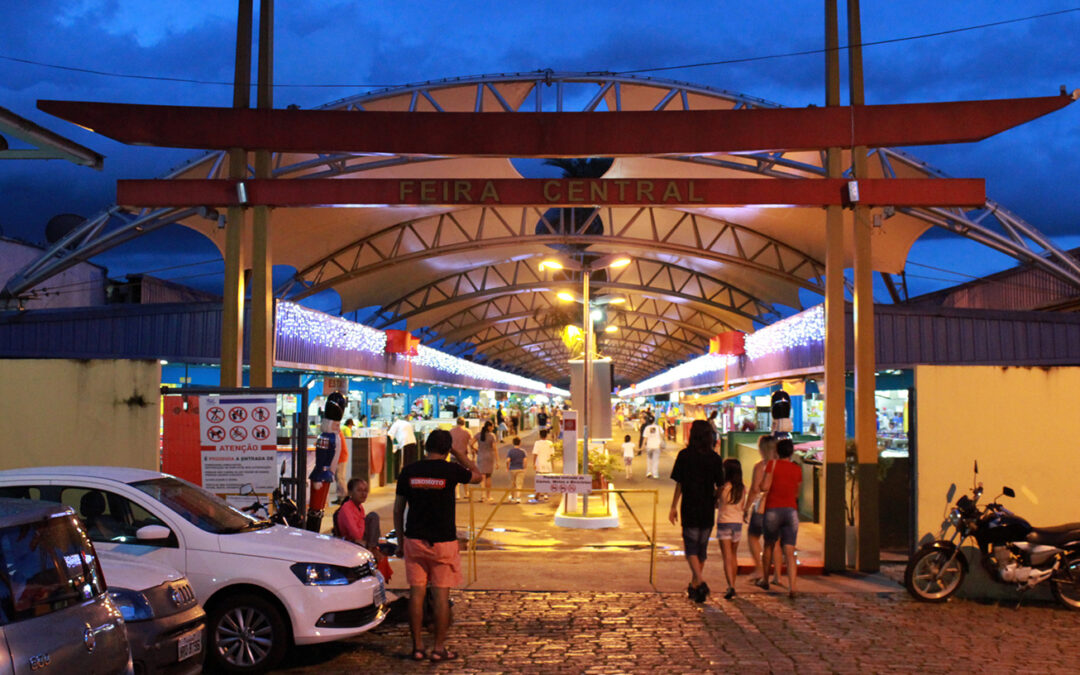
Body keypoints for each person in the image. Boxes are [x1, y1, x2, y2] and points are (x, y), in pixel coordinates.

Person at [394, 429, 482, 662]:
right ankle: (438, 648)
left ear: (426, 447)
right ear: (446, 449)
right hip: (443, 542)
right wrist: (457, 453)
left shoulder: (409, 471)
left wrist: (400, 542)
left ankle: (418, 647)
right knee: (441, 597)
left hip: (414, 540)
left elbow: (398, 508)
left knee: (416, 595)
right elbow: (478, 475)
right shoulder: (451, 470)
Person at [668, 420, 725, 603]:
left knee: (691, 548)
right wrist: (715, 497)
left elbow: (680, 483)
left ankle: (699, 581)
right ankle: (694, 586)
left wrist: (673, 506)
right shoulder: (715, 458)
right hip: (707, 507)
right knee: (701, 549)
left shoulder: (684, 455)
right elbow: (721, 485)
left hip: (689, 506)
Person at [757, 438, 802, 599]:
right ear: (791, 452)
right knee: (789, 551)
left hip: (773, 510)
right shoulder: (797, 469)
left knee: (769, 545)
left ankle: (765, 579)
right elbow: (797, 493)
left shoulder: (772, 465)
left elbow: (764, 486)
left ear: (777, 451)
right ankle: (793, 586)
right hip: (791, 511)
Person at [334, 478, 392, 581]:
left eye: (365, 490)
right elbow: (356, 534)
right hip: (350, 543)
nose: (363, 493)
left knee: (374, 518)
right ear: (350, 492)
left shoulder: (360, 507)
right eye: (359, 490)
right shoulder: (346, 508)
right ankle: (371, 551)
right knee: (373, 517)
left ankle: (371, 549)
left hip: (362, 541)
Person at [744, 435, 782, 586]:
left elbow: (754, 489)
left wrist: (746, 507)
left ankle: (759, 569)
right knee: (776, 542)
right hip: (778, 507)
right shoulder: (781, 465)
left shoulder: (760, 466)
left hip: (762, 507)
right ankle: (777, 576)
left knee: (753, 537)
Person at [308, 392, 346, 531]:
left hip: (323, 475)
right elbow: (322, 457)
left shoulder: (329, 437)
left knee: (318, 509)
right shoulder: (328, 438)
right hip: (321, 475)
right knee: (316, 509)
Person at [716, 458, 746, 600]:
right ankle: (733, 583)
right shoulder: (742, 488)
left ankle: (731, 586)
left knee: (726, 556)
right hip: (737, 523)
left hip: (724, 523)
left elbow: (717, 503)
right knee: (733, 555)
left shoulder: (723, 488)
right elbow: (742, 507)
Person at [470, 421, 499, 503]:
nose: (493, 428)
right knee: (488, 477)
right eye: (492, 427)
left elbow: (471, 443)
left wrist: (475, 450)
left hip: (481, 456)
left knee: (482, 477)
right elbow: (494, 449)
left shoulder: (478, 435)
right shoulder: (492, 436)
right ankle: (488, 496)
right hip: (489, 457)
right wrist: (497, 461)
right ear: (489, 427)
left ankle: (482, 495)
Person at [449, 417, 473, 501]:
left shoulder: (451, 431)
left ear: (456, 423)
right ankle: (466, 493)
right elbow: (471, 444)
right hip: (464, 456)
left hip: (453, 456)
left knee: (454, 475)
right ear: (464, 423)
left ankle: (457, 494)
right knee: (465, 474)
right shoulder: (468, 431)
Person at [530, 429, 555, 502]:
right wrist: (552, 464)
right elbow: (552, 455)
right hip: (547, 464)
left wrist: (534, 463)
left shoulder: (537, 443)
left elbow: (535, 454)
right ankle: (546, 494)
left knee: (539, 479)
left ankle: (538, 492)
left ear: (540, 435)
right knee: (547, 480)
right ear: (546, 435)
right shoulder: (550, 443)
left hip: (539, 463)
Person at [506, 437, 527, 503]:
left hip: (512, 469)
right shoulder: (523, 451)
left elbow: (508, 460)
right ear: (520, 443)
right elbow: (525, 461)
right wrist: (524, 468)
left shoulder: (510, 451)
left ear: (513, 443)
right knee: (519, 484)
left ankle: (512, 497)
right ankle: (518, 498)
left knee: (512, 484)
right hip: (520, 469)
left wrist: (507, 467)